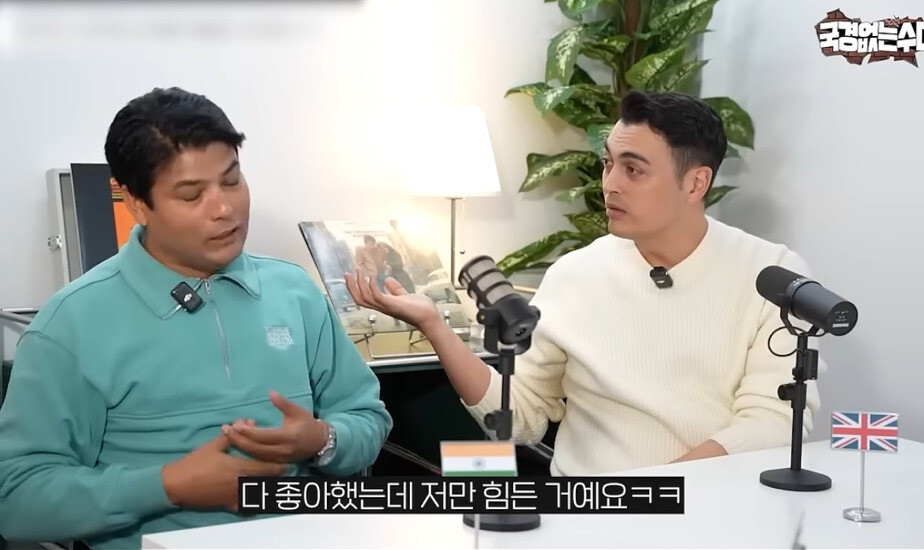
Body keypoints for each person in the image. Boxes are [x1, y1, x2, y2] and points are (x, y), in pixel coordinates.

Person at [345, 90, 820, 476]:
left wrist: (656, 493)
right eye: (608, 163)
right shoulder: (575, 274)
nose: (610, 184)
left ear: (695, 184)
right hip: (587, 514)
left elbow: (773, 421)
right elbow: (522, 417)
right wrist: (435, 326)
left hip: (713, 511)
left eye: (633, 169)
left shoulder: (772, 275)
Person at [0, 87, 392, 548]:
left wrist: (323, 439)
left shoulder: (295, 291)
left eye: (232, 181)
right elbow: (16, 498)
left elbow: (367, 418)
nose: (224, 209)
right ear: (136, 203)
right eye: (191, 195)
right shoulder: (72, 323)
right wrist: (169, 485)